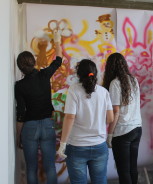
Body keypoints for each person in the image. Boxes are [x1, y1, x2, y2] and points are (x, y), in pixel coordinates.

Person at [15, 31, 62, 184]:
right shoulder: (44, 75)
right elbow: (58, 60)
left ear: (20, 68)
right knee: (50, 167)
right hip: (48, 125)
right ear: (34, 62)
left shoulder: (19, 86)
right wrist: (57, 41)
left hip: (29, 127)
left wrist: (18, 137)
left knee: (31, 168)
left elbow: (20, 114)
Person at [57, 59, 114, 184]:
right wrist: (96, 119)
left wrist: (62, 144)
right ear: (95, 73)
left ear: (78, 75)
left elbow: (70, 117)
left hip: (77, 147)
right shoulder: (104, 92)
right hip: (99, 145)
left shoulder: (74, 90)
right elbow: (110, 119)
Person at [103, 53, 142, 184]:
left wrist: (110, 134)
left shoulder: (115, 83)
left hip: (122, 132)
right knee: (132, 168)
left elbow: (116, 111)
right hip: (137, 128)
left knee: (123, 171)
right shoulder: (133, 80)